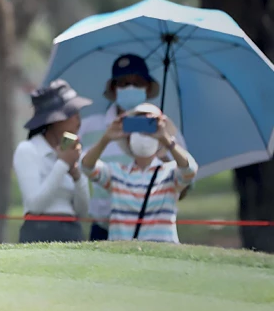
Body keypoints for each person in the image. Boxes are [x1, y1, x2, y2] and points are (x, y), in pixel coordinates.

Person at [77, 53, 189, 241]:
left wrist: (162, 146)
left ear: (147, 87)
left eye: (137, 83)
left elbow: (185, 185)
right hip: (104, 227)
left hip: (152, 229)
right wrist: (106, 138)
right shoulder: (89, 127)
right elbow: (84, 166)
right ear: (113, 88)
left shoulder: (167, 129)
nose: (130, 88)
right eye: (123, 83)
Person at [80, 104, 197, 243]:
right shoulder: (116, 173)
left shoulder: (170, 173)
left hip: (160, 257)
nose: (143, 134)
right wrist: (106, 138)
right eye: (136, 127)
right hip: (123, 256)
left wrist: (167, 140)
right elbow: (87, 166)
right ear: (128, 138)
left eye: (149, 126)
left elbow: (190, 170)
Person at [13, 79, 91, 243]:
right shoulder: (28, 150)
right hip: (39, 233)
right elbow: (35, 205)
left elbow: (82, 211)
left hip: (72, 234)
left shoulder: (73, 153)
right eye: (71, 113)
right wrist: (62, 164)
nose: (78, 119)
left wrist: (76, 173)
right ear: (53, 121)